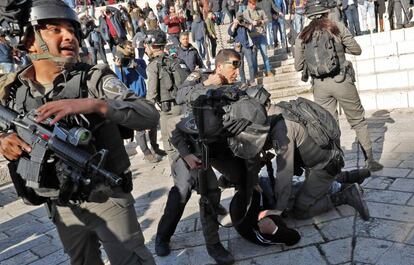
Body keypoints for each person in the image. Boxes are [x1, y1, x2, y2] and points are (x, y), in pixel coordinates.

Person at [0, 1, 158, 264]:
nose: (69, 37)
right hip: (60, 203)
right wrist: (4, 140)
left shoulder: (93, 78)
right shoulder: (13, 89)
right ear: (29, 41)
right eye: (55, 30)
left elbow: (148, 114)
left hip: (105, 196)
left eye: (72, 30)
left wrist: (93, 104)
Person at [156, 49, 261, 265]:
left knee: (243, 176)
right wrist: (207, 84)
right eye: (234, 65)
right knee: (189, 191)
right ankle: (167, 236)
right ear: (220, 66)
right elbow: (180, 95)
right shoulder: (200, 77)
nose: (237, 70)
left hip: (217, 145)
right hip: (188, 144)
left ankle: (243, 217)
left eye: (239, 65)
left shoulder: (233, 87)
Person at [294, 0, 383, 171]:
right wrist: (339, 49)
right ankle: (370, 160)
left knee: (329, 125)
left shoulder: (301, 36)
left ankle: (336, 165)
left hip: (320, 86)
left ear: (308, 16)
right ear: (326, 12)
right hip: (342, 80)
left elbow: (298, 66)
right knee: (358, 121)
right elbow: (357, 50)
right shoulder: (337, 27)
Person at [265, 100, 371, 220]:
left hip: (324, 167)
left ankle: (346, 196)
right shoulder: (282, 108)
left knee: (300, 210)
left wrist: (279, 209)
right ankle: (350, 176)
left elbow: (285, 173)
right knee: (316, 184)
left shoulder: (281, 128)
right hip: (329, 157)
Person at [113, 41, 167, 163]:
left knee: (153, 122)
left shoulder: (140, 61)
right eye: (128, 48)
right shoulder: (121, 64)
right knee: (140, 128)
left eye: (131, 47)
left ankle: (155, 147)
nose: (130, 50)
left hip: (144, 96)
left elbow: (145, 76)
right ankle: (146, 152)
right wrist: (120, 67)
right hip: (132, 99)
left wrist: (137, 66)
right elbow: (121, 83)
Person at [145, 30, 189, 161]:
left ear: (152, 46)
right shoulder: (175, 60)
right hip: (183, 107)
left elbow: (151, 94)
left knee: (171, 147)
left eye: (146, 46)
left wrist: (146, 114)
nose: (145, 49)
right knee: (186, 144)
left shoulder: (153, 66)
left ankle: (180, 179)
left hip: (168, 112)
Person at [243, 0, 274, 77]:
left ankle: (268, 71)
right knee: (254, 56)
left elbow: (267, 19)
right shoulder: (245, 12)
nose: (254, 6)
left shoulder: (260, 10)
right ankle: (255, 72)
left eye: (255, 4)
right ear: (249, 3)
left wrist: (261, 21)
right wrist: (252, 22)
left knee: (265, 54)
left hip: (261, 35)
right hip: (252, 37)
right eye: (252, 4)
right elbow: (245, 22)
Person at [228, 12, 256, 84]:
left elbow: (252, 29)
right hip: (238, 48)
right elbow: (230, 33)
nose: (240, 18)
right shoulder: (233, 24)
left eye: (241, 17)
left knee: (251, 64)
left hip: (247, 46)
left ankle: (252, 80)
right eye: (239, 17)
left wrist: (244, 24)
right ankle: (243, 82)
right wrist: (234, 24)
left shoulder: (244, 23)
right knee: (240, 66)